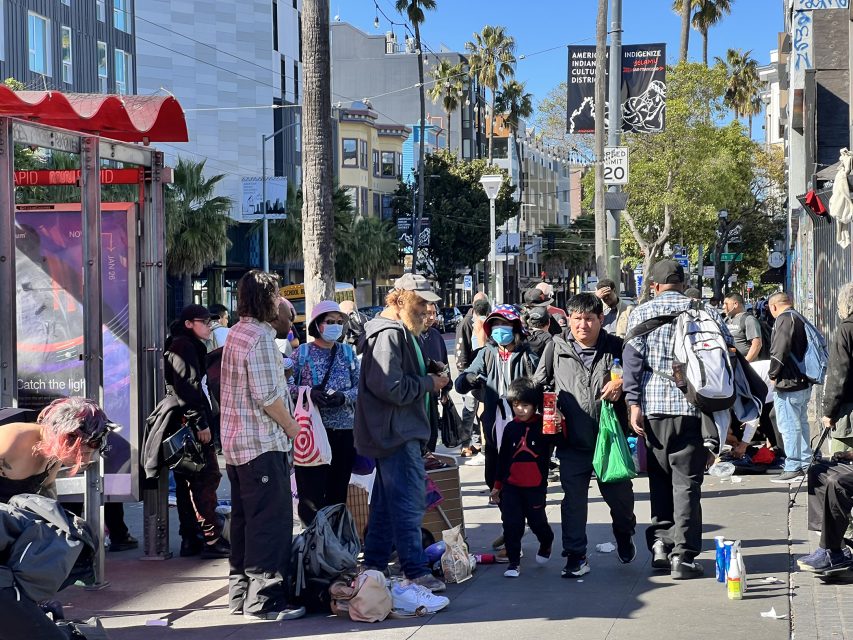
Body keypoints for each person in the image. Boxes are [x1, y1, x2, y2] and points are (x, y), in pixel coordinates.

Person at [623, 259, 729, 580]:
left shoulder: (641, 313)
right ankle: (683, 556)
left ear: (653, 286)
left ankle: (660, 543)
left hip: (654, 407)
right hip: (694, 408)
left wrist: (633, 403)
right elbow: (725, 355)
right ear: (682, 283)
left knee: (659, 478)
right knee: (687, 483)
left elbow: (632, 361)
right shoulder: (704, 312)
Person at [354, 273, 451, 604]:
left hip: (396, 431)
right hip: (396, 433)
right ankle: (414, 569)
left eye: (428, 304)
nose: (426, 311)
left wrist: (426, 374)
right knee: (408, 503)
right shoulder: (390, 335)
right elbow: (390, 388)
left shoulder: (398, 333)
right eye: (420, 303)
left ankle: (375, 565)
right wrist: (428, 383)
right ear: (399, 300)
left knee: (384, 505)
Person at [220, 270, 305, 622]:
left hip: (237, 446)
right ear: (267, 300)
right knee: (270, 523)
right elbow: (268, 397)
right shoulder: (259, 339)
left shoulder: (235, 334)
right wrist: (293, 428)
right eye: (276, 297)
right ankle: (266, 599)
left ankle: (240, 595)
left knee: (244, 522)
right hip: (261, 444)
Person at [533, 293, 636, 578]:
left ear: (601, 320)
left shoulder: (616, 347)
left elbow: (640, 376)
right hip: (571, 441)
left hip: (609, 441)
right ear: (568, 319)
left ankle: (624, 534)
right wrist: (551, 408)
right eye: (577, 319)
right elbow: (539, 384)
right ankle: (576, 555)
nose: (583, 325)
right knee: (573, 501)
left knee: (621, 501)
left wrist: (622, 384)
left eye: (590, 319)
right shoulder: (556, 347)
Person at [164, 304, 229, 559]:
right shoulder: (185, 346)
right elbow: (188, 388)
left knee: (188, 483)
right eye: (204, 322)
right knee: (205, 478)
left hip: (183, 425)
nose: (209, 326)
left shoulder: (182, 344)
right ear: (190, 323)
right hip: (190, 426)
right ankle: (210, 538)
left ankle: (192, 538)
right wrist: (200, 422)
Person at [455, 305, 539, 498]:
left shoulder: (527, 355)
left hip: (523, 424)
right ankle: (505, 512)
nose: (500, 329)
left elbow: (541, 383)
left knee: (521, 471)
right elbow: (461, 384)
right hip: (494, 423)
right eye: (496, 325)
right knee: (494, 474)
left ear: (515, 327)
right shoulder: (486, 353)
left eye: (505, 324)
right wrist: (468, 379)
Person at [290, 300, 360, 526]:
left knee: (337, 493)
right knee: (310, 495)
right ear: (317, 325)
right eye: (330, 322)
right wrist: (308, 393)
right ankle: (313, 543)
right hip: (311, 434)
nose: (336, 326)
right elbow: (285, 388)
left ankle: (333, 544)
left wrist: (344, 396)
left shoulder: (348, 353)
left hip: (343, 433)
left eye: (340, 322)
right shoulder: (301, 354)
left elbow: (362, 389)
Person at [801, 284, 853, 573]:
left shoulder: (846, 329)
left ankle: (839, 544)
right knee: (828, 472)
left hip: (848, 415)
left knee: (834, 477)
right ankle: (832, 543)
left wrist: (828, 411)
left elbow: (838, 373)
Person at [491, 377, 555, 578]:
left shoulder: (545, 426)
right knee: (512, 524)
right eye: (515, 405)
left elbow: (560, 439)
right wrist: (497, 486)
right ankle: (513, 563)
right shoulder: (510, 428)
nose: (520, 409)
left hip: (535, 487)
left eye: (525, 405)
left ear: (535, 405)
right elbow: (502, 460)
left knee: (538, 523)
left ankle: (547, 542)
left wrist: (552, 411)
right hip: (511, 487)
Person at [0, 398, 114, 503]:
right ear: (65, 437)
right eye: (83, 453)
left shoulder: (56, 450)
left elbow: (47, 490)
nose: (85, 460)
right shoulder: (10, 441)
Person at [767, 292, 816, 484]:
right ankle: (805, 462)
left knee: (789, 425)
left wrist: (773, 374)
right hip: (803, 380)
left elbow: (779, 349)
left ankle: (793, 465)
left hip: (789, 381)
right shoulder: (799, 317)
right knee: (800, 422)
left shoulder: (784, 320)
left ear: (774, 307)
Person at [455, 293, 491, 458]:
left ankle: (479, 441)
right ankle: (465, 443)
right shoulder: (466, 323)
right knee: (469, 411)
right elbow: (461, 349)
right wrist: (464, 374)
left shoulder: (489, 322)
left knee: (483, 410)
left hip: (486, 374)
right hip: (470, 373)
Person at [420, 302, 452, 452]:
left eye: (433, 313)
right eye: (427, 313)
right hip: (417, 394)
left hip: (433, 395)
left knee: (432, 433)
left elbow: (445, 363)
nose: (431, 317)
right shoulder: (411, 335)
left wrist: (446, 390)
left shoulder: (436, 335)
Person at [724, 293, 764, 362]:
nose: (723, 307)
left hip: (743, 365)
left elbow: (757, 344)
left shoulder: (748, 319)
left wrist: (745, 364)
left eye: (726, 304)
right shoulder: (726, 320)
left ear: (735, 304)